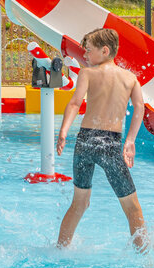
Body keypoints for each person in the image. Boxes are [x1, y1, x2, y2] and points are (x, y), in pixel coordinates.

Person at [55, 27, 149, 251]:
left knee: (79, 203)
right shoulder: (130, 78)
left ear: (105, 51)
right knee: (132, 208)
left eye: (88, 51)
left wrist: (63, 131)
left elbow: (75, 103)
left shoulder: (87, 74)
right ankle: (144, 257)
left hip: (85, 141)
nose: (85, 56)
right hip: (110, 144)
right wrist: (130, 140)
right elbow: (139, 108)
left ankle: (59, 251)